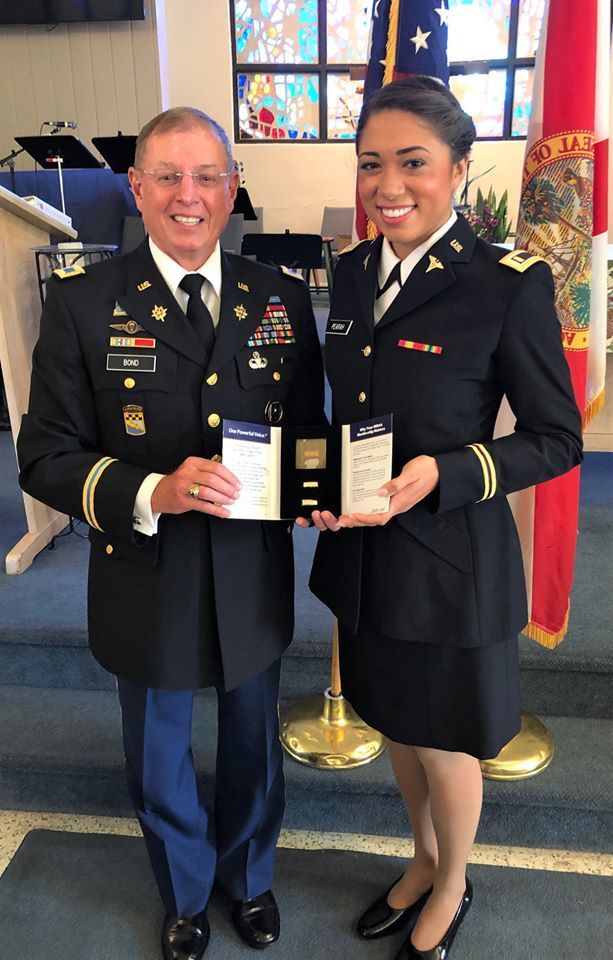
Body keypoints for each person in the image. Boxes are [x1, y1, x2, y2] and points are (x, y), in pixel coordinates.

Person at [18, 107, 324, 960]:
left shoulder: (279, 296)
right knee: (158, 756)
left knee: (253, 745)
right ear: (137, 186)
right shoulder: (84, 304)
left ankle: (249, 880)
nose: (188, 195)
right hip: (145, 569)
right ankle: (186, 894)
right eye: (168, 176)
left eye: (207, 177)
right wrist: (153, 487)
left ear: (232, 188)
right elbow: (45, 458)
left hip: (249, 567)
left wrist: (321, 489)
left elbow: (305, 429)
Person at [307, 77, 583, 960]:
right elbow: (348, 409)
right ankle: (421, 857)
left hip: (451, 559)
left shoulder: (505, 284)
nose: (387, 186)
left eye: (412, 163)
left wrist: (449, 470)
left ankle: (454, 879)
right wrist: (316, 482)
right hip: (367, 553)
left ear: (459, 169)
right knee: (396, 720)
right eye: (370, 164)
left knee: (447, 743)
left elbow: (555, 438)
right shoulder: (353, 272)